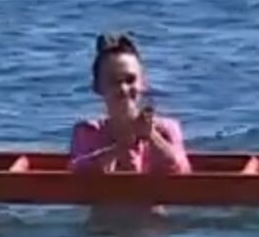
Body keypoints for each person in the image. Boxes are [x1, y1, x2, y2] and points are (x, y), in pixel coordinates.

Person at [70, 34, 190, 175]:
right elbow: (78, 171)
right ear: (97, 86)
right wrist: (119, 148)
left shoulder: (166, 129)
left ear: (143, 83)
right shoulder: (88, 131)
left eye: (130, 80)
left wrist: (152, 136)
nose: (123, 88)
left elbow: (181, 170)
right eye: (114, 81)